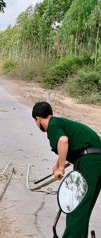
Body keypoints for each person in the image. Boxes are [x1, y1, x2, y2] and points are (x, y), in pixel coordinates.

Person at [32, 101, 101, 238]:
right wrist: (57, 164)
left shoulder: (52, 126)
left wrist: (61, 168)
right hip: (92, 159)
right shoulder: (58, 122)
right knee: (82, 208)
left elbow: (63, 141)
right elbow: (66, 143)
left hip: (90, 161)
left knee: (76, 207)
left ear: (37, 119)